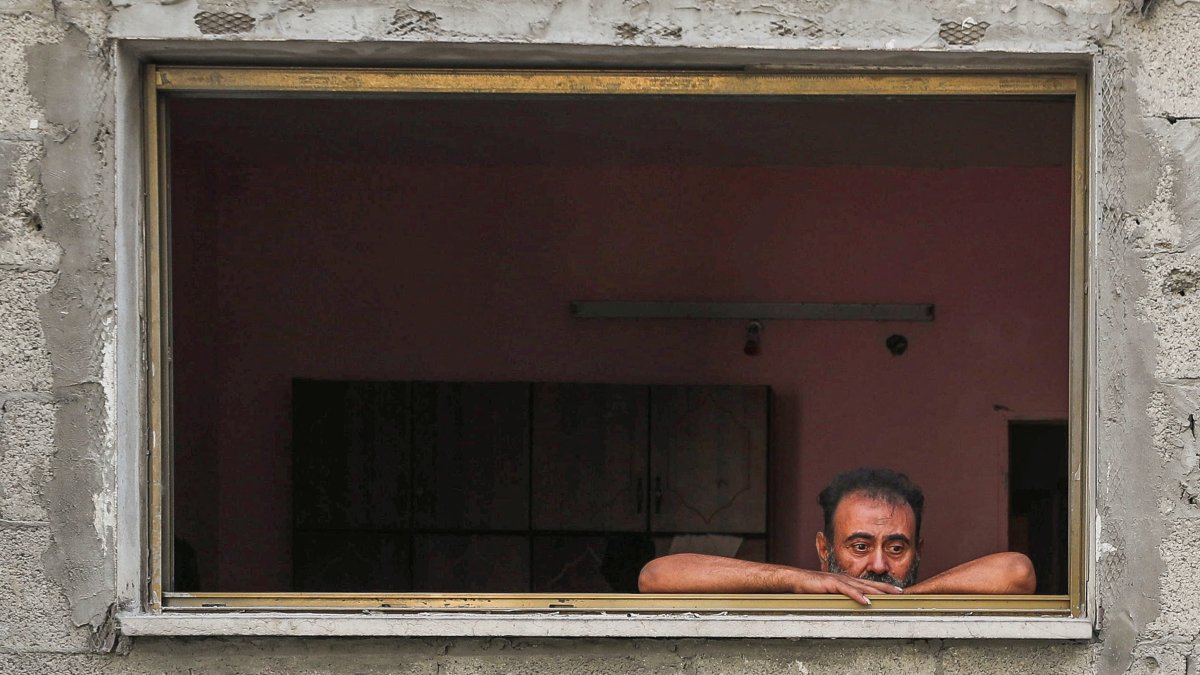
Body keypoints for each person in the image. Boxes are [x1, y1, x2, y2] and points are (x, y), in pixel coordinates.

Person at [637, 467, 1036, 605]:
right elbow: (656, 578)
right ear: (824, 548)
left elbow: (1017, 572)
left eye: (896, 548)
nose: (878, 565)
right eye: (859, 546)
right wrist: (797, 579)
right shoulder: (800, 592)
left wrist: (908, 599)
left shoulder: (918, 596)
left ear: (919, 551)